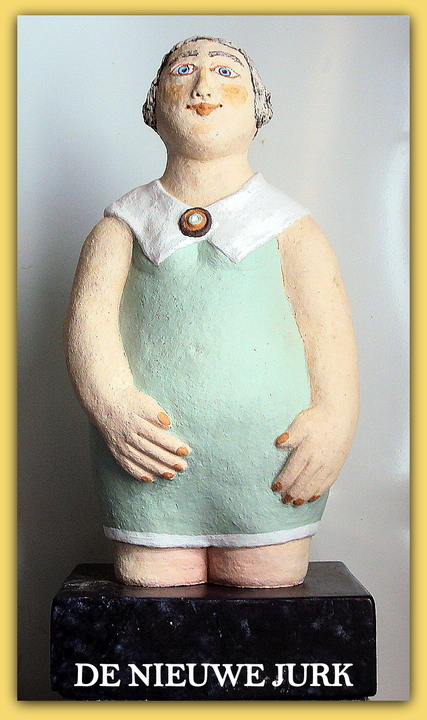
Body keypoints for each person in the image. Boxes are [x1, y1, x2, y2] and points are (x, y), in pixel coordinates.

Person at [64, 36, 359, 588]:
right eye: (183, 71)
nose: (203, 86)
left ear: (257, 109)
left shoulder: (290, 228)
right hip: (147, 463)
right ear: (154, 104)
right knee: (153, 587)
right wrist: (113, 406)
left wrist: (334, 420)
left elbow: (330, 334)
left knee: (267, 584)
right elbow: (88, 328)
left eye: (226, 72)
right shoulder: (122, 226)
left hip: (271, 467)